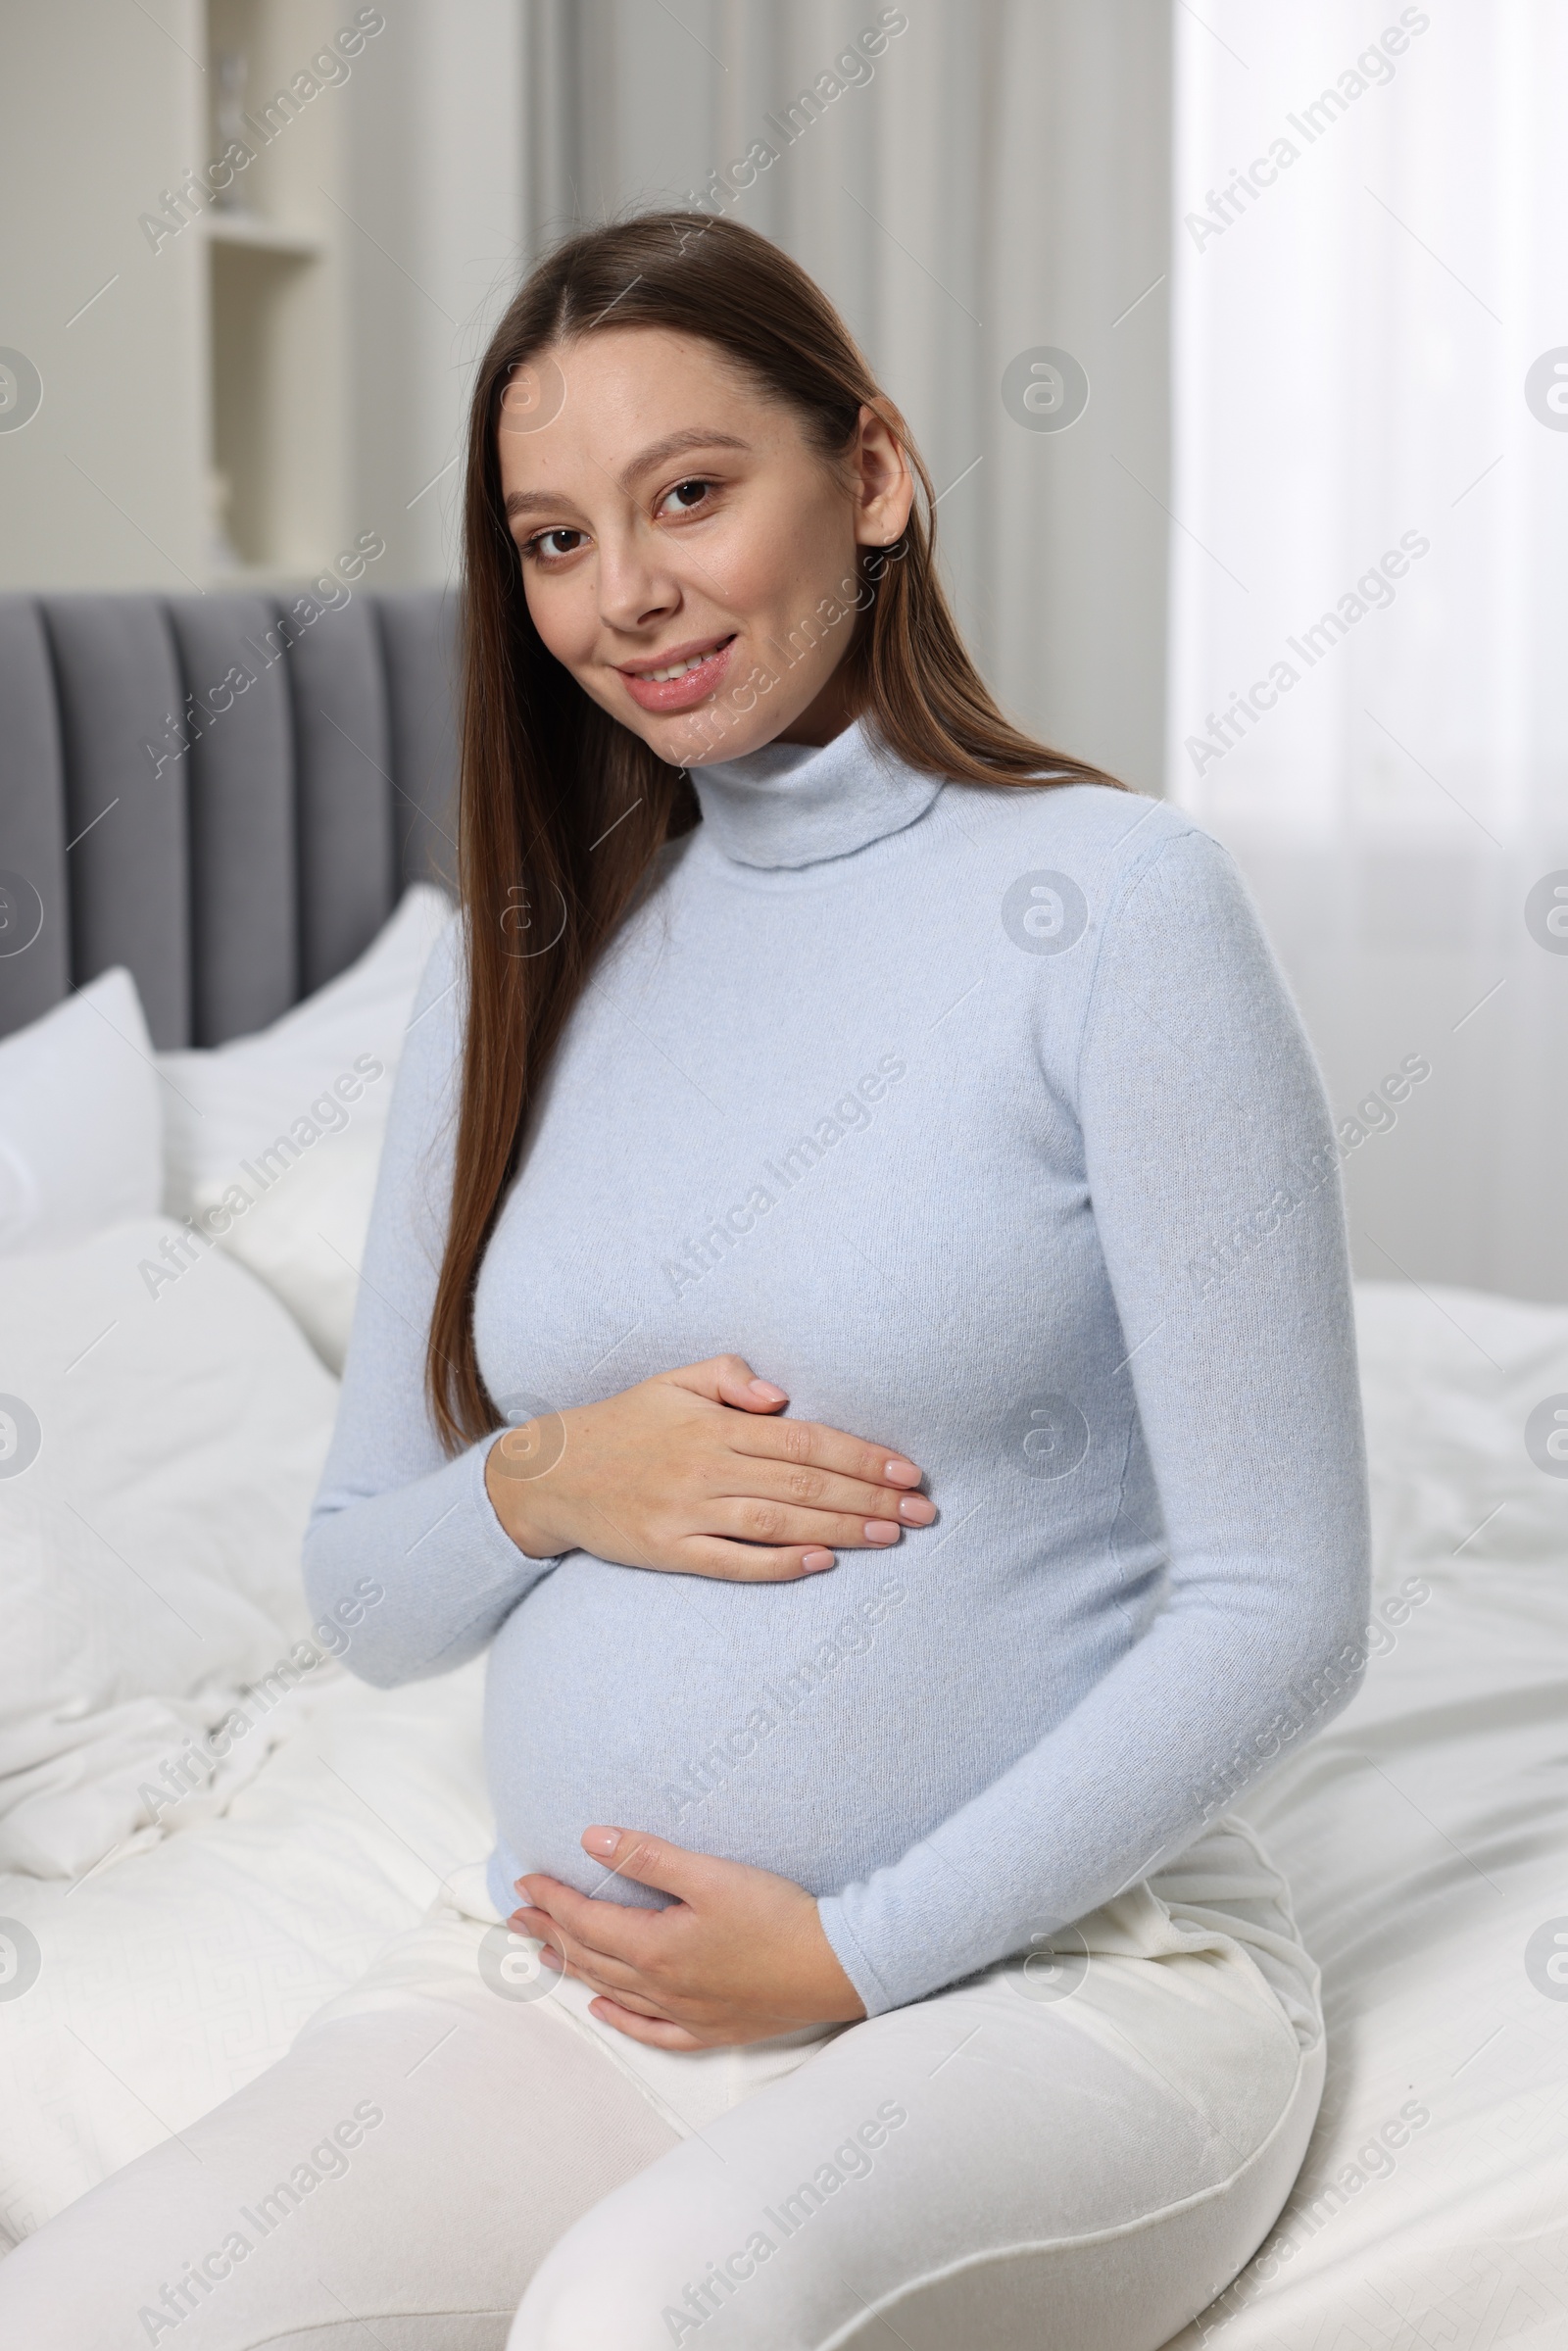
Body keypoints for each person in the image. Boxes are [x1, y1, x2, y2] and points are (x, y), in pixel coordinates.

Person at [0, 209, 1369, 2350]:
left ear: (877, 475)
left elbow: (1282, 1604)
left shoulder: (1114, 904)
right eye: (550, 539)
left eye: (690, 496)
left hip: (1049, 1990)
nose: (620, 593)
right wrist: (547, 1478)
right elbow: (365, 1594)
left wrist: (855, 1951)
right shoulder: (516, 971)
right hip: (582, 2000)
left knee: (649, 2318)